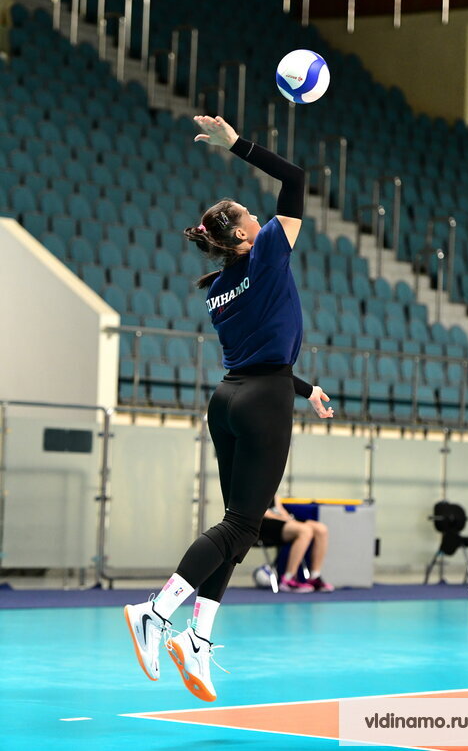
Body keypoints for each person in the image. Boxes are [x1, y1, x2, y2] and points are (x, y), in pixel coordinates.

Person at [124, 115, 333, 703]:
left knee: (237, 527)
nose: (261, 219)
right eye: (250, 216)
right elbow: (295, 178)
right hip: (262, 400)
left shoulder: (219, 288)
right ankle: (156, 613)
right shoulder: (266, 252)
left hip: (231, 399)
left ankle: (198, 638)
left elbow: (262, 354)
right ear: (244, 234)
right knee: (242, 525)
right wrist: (236, 144)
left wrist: (305, 388)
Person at [259, 495, 335, 592]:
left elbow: (280, 509)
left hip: (283, 521)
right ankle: (288, 579)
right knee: (305, 531)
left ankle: (315, 576)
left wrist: (288, 518)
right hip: (265, 526)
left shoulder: (274, 494)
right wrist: (285, 519)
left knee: (321, 529)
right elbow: (263, 513)